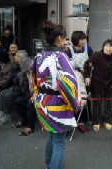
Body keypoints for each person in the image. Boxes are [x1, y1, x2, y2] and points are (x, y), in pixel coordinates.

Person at [31, 20, 80, 169]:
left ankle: (49, 165)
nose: (65, 41)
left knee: (51, 135)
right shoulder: (60, 56)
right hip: (57, 102)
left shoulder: (39, 56)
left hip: (42, 100)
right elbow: (68, 83)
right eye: (65, 38)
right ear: (59, 38)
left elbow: (33, 77)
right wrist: (75, 103)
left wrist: (35, 92)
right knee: (59, 140)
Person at [84, 40, 112, 131]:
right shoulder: (97, 55)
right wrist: (87, 76)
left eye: (110, 46)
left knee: (108, 104)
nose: (108, 48)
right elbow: (87, 64)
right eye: (106, 46)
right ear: (103, 47)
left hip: (109, 83)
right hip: (97, 83)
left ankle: (107, 121)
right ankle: (96, 122)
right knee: (97, 103)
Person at [0, 52, 29, 125]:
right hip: (16, 86)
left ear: (20, 58)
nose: (14, 57)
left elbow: (19, 80)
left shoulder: (25, 66)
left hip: (22, 88)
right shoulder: (16, 65)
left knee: (7, 96)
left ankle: (7, 115)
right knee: (1, 94)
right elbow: (13, 78)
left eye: (16, 56)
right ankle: (1, 114)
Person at [66, 31, 93, 122]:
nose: (83, 41)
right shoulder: (69, 51)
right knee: (76, 96)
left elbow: (92, 61)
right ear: (75, 40)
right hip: (75, 77)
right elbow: (67, 64)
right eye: (81, 39)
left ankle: (87, 117)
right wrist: (78, 68)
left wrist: (87, 73)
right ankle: (77, 118)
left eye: (84, 39)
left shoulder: (88, 49)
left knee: (86, 96)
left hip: (87, 76)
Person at [13, 57, 37, 136]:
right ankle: (24, 120)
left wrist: (35, 94)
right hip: (29, 93)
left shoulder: (37, 72)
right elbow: (24, 88)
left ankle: (31, 126)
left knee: (30, 104)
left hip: (38, 94)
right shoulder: (24, 74)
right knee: (18, 101)